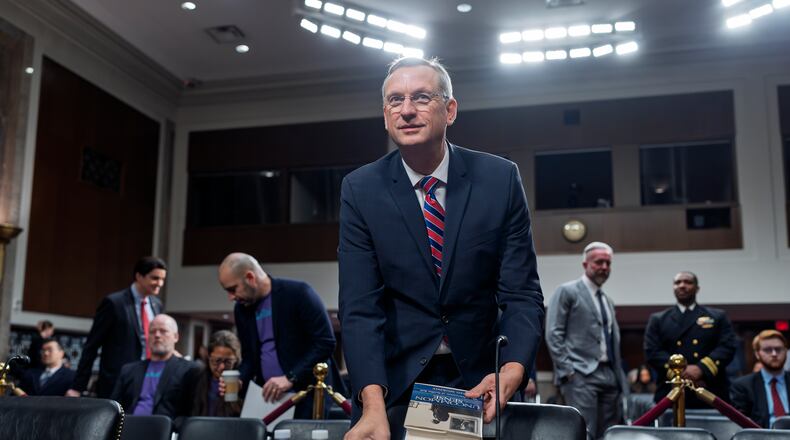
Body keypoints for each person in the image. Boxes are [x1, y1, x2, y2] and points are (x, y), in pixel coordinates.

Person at [338, 56, 544, 440]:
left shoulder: (499, 179)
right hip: (391, 382)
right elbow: (359, 307)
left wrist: (514, 367)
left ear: (450, 110)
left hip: (476, 381)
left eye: (421, 97)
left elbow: (521, 292)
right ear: (385, 116)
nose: (407, 110)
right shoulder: (360, 189)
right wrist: (371, 401)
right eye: (395, 101)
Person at [217, 252, 337, 419]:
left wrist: (290, 377)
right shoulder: (242, 309)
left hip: (307, 396)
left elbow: (325, 343)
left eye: (232, 289)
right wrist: (240, 380)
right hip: (267, 400)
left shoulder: (298, 293)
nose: (230, 297)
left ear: (250, 277)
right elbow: (250, 358)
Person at [545, 242, 627, 439]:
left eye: (608, 263)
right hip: (580, 373)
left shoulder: (607, 300)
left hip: (609, 374)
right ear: (585, 264)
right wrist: (568, 371)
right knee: (584, 432)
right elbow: (553, 333)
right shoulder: (567, 291)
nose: (604, 267)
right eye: (599, 262)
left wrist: (619, 379)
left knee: (609, 433)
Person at [68, 256, 167, 398]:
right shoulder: (114, 303)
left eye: (162, 279)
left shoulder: (157, 305)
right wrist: (78, 386)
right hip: (117, 383)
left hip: (149, 381)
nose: (160, 283)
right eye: (155, 278)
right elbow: (92, 345)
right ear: (139, 276)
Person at [644, 271, 736, 408]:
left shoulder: (717, 316)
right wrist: (681, 373)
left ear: (697, 288)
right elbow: (652, 352)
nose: (682, 285)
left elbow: (727, 347)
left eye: (688, 282)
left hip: (709, 389)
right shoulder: (658, 319)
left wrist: (701, 369)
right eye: (677, 282)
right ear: (673, 288)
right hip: (671, 391)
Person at [111, 314, 200, 425]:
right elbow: (114, 406)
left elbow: (192, 410)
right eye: (152, 332)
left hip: (165, 430)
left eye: (163, 331)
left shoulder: (189, 370)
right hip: (127, 428)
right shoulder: (129, 370)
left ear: (176, 337)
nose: (157, 335)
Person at [731, 330, 790, 428]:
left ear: (786, 351)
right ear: (757, 354)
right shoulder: (743, 386)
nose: (774, 354)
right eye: (768, 350)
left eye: (778, 349)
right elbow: (741, 425)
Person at [192, 330, 243, 417]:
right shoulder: (196, 378)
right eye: (217, 361)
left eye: (228, 362)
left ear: (236, 360)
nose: (222, 367)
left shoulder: (242, 381)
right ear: (208, 356)